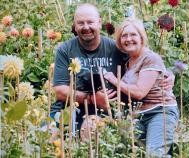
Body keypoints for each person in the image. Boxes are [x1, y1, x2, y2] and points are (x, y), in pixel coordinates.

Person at [51, 3, 175, 132]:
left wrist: (168, 73)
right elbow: (60, 91)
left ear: (99, 22)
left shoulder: (116, 48)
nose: (86, 27)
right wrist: (91, 99)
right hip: (69, 108)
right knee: (48, 135)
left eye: (90, 22)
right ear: (75, 25)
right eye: (81, 23)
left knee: (91, 130)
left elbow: (144, 59)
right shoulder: (65, 50)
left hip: (103, 111)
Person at [104, 18, 179, 157]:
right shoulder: (128, 60)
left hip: (159, 111)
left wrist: (114, 80)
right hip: (138, 115)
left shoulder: (150, 58)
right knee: (121, 148)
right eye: (124, 36)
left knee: (154, 154)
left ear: (141, 37)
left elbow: (139, 92)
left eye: (133, 35)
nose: (128, 39)